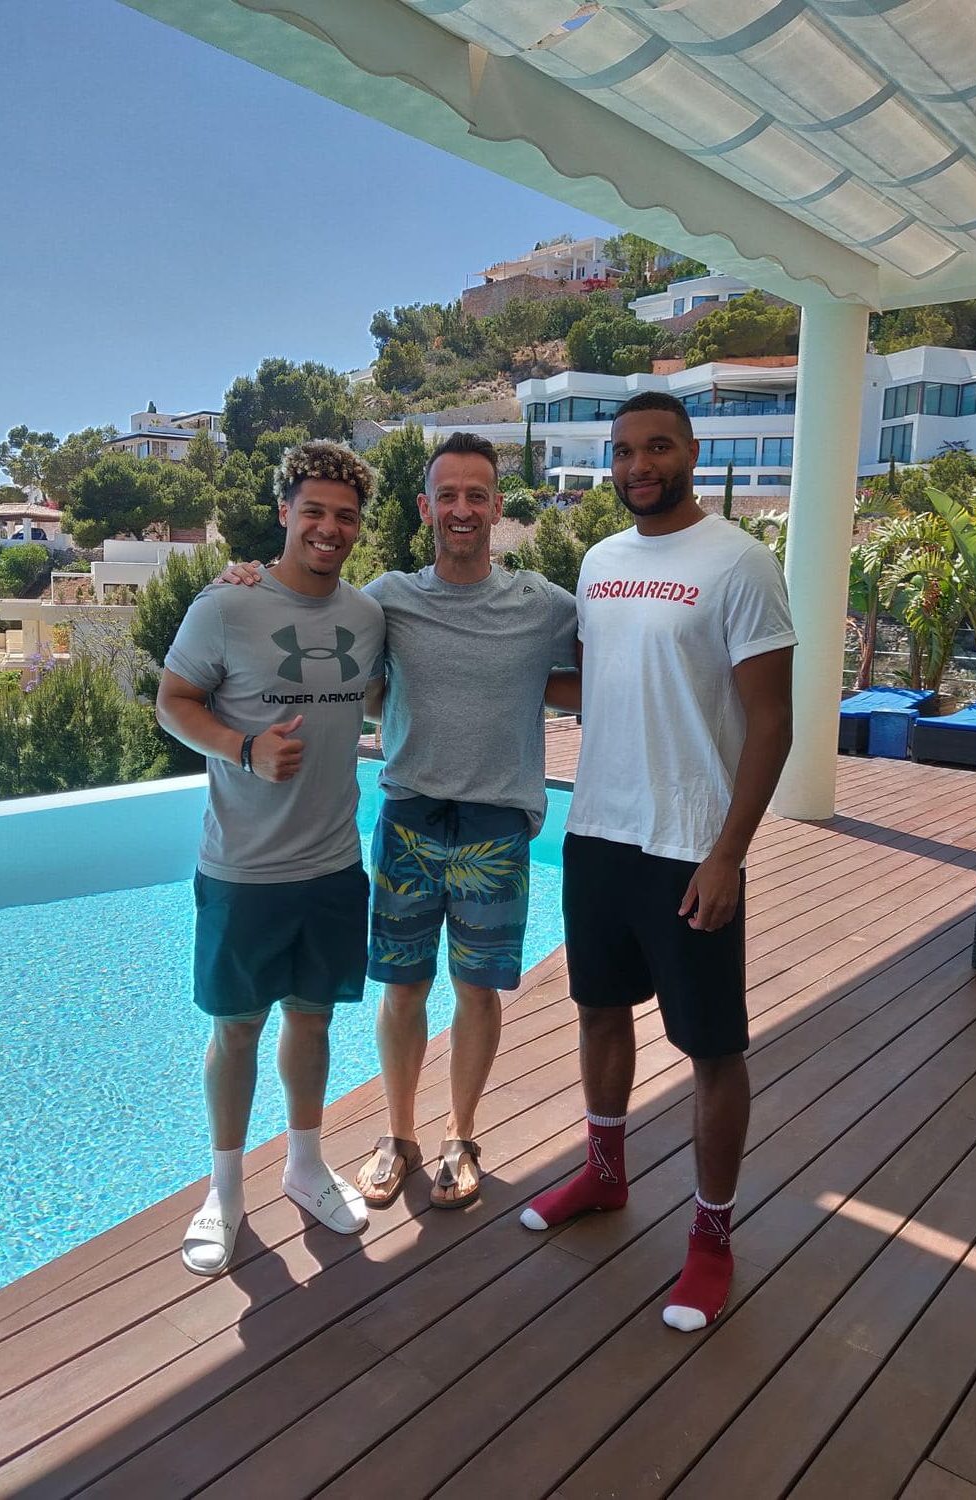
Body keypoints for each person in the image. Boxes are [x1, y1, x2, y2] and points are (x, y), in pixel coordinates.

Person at [218, 432, 578, 1211]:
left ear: (497, 507)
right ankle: (399, 1135)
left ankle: (460, 1137)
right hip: (410, 814)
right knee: (403, 988)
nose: (461, 509)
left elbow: (601, 665)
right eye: (446, 495)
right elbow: (312, 612)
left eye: (475, 495)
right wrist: (244, 578)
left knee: (476, 990)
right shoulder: (386, 598)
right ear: (424, 507)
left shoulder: (541, 605)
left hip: (494, 825)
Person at [520, 391, 796, 1334]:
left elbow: (771, 720)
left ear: (690, 453)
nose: (638, 465)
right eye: (623, 451)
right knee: (599, 1011)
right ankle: (604, 1173)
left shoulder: (739, 562)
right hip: (598, 827)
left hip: (689, 843)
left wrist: (729, 855)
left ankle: (711, 1239)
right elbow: (595, 684)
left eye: (657, 447)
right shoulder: (599, 562)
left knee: (711, 1049)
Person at [157, 439, 385, 1276]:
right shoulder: (227, 605)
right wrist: (242, 749)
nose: (329, 528)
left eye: (344, 516)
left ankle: (303, 1165)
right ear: (285, 512)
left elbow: (386, 693)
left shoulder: (367, 616)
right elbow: (173, 701)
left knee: (313, 1019)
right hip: (243, 869)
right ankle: (224, 1191)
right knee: (237, 1028)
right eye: (313, 510)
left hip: (332, 865)